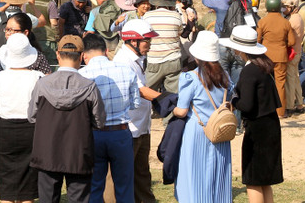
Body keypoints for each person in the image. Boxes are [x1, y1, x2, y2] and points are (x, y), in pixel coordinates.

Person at [0, 12, 53, 203]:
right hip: (31, 129)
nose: (8, 32)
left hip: (5, 130)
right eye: (8, 29)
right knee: (28, 185)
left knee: (7, 184)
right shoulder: (37, 77)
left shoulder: (0, 78)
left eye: (13, 29)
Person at [28, 35, 105, 203]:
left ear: (57, 54)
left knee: (48, 199)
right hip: (78, 152)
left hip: (47, 151)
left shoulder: (42, 84)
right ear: (82, 56)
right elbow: (99, 121)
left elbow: (32, 116)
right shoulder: (89, 87)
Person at [78, 32, 143, 203]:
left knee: (95, 185)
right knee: (124, 186)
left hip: (94, 135)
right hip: (120, 133)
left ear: (84, 55)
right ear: (106, 51)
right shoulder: (125, 70)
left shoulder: (82, 75)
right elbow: (135, 103)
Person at [223, 25, 284, 203]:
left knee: (253, 180)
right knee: (265, 179)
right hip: (271, 125)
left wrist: (233, 101)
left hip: (257, 130)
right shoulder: (264, 65)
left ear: (240, 49)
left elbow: (246, 105)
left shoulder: (249, 71)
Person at [171, 30, 232, 203]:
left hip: (197, 129)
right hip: (220, 130)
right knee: (218, 175)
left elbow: (181, 111)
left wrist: (172, 109)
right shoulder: (225, 77)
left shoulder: (190, 77)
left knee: (193, 174)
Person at [113, 20, 163, 203]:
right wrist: (163, 99)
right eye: (146, 41)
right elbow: (141, 90)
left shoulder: (138, 58)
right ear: (133, 41)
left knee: (142, 174)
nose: (149, 44)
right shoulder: (123, 62)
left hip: (141, 127)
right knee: (127, 175)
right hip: (130, 129)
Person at [255, 0, 295, 118]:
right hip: (281, 56)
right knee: (280, 84)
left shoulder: (262, 22)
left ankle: (265, 109)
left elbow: (257, 40)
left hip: (266, 56)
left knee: (264, 83)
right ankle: (281, 112)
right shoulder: (286, 23)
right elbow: (292, 42)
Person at [142, 0, 184, 94]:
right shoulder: (176, 16)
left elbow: (144, 35)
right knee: (173, 95)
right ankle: (170, 111)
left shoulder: (147, 16)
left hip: (154, 60)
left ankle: (151, 110)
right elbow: (179, 33)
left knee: (148, 92)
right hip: (173, 61)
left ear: (155, 2)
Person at [281, 0, 305, 114]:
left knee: (290, 80)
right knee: (295, 78)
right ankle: (300, 103)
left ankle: (290, 106)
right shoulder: (297, 17)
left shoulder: (293, 19)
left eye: (285, 6)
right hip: (297, 51)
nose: (283, 9)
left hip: (292, 53)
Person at [32, 0, 61, 66]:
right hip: (48, 40)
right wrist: (58, 38)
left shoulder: (28, 3)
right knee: (51, 65)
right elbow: (54, 23)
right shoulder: (51, 4)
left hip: (32, 39)